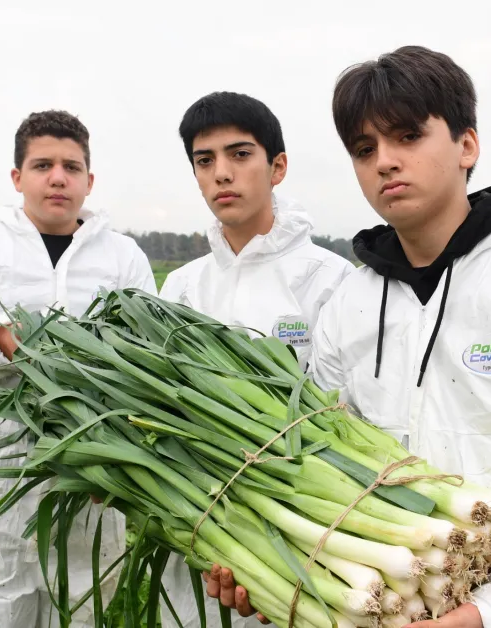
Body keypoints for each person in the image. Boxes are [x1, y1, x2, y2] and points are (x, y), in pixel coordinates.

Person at [208, 46, 491, 628]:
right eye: (365, 149)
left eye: (408, 136)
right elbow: (317, 457)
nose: (385, 162)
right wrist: (279, 574)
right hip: (392, 610)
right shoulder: (350, 304)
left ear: (467, 146)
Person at [0, 109, 157, 627]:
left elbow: (145, 366)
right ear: (18, 177)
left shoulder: (123, 258)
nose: (58, 178)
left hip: (86, 491)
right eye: (43, 165)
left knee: (81, 613)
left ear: (89, 180)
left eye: (71, 166)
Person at [158, 90, 356, 628]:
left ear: (278, 167)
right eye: (205, 160)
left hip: (308, 536)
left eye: (240, 154)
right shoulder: (180, 289)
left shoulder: (331, 279)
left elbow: (348, 416)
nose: (222, 173)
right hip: (206, 532)